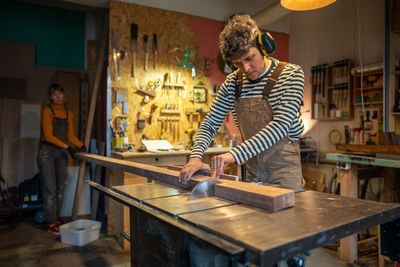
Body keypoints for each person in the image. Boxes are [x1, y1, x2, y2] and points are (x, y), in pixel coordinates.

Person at [179, 14, 305, 190]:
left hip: (284, 174)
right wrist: (195, 157)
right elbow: (210, 123)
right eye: (238, 63)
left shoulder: (291, 75)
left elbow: (280, 125)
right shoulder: (233, 83)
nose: (246, 68)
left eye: (249, 58)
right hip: (252, 174)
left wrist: (232, 155)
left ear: (262, 47)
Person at [37, 83, 85, 235]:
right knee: (50, 189)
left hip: (61, 152)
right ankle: (51, 223)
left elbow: (70, 136)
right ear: (50, 97)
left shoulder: (68, 113)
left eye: (60, 94)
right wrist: (68, 148)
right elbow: (49, 136)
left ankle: (55, 218)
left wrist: (80, 145)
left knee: (60, 189)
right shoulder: (47, 111)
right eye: (54, 94)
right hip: (47, 153)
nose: (58, 97)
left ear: (64, 95)